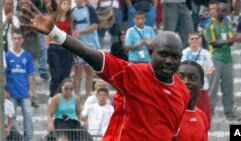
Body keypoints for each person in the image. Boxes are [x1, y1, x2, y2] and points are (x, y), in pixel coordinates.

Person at [21, 2, 190, 140]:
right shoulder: (133, 75)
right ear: (151, 53)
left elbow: (171, 135)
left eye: (175, 56)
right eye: (164, 54)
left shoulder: (182, 91)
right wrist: (55, 32)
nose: (169, 61)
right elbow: (91, 54)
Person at [205, 2, 241, 121]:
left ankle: (230, 112)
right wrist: (226, 41)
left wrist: (226, 41)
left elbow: (232, 40)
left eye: (226, 11)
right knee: (213, 86)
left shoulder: (227, 24)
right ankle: (209, 112)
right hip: (216, 57)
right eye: (222, 11)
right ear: (217, 11)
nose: (224, 13)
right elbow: (213, 43)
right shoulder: (210, 25)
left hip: (228, 58)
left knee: (228, 86)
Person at [5, 30, 35, 141]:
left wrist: (31, 89)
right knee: (12, 117)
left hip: (24, 91)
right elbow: (5, 75)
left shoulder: (27, 55)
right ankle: (17, 138)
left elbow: (30, 73)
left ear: (22, 40)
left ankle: (29, 138)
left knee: (28, 116)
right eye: (15, 38)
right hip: (11, 92)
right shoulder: (7, 56)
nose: (17, 41)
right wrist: (6, 90)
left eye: (19, 38)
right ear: (12, 40)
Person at [182, 32, 214, 129]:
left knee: (205, 111)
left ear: (199, 40)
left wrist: (209, 72)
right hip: (188, 88)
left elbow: (211, 68)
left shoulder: (206, 53)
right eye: (192, 39)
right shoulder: (184, 53)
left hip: (202, 87)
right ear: (188, 41)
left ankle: (204, 130)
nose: (194, 41)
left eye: (196, 38)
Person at [72, 0, 100, 97]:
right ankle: (77, 95)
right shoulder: (72, 11)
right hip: (78, 46)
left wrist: (80, 31)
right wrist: (73, 32)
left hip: (90, 45)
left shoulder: (90, 9)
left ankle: (88, 95)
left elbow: (95, 26)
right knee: (78, 71)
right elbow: (71, 26)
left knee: (89, 72)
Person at [47, 0, 74, 99]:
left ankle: (63, 96)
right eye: (64, 3)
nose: (66, 6)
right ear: (60, 5)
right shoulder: (54, 17)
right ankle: (52, 95)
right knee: (56, 75)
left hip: (66, 48)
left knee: (65, 75)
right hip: (54, 47)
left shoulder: (70, 18)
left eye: (68, 4)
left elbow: (70, 33)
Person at [177, 60, 208, 141]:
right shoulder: (167, 114)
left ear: (202, 84)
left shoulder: (202, 117)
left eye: (193, 78)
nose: (186, 82)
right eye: (180, 77)